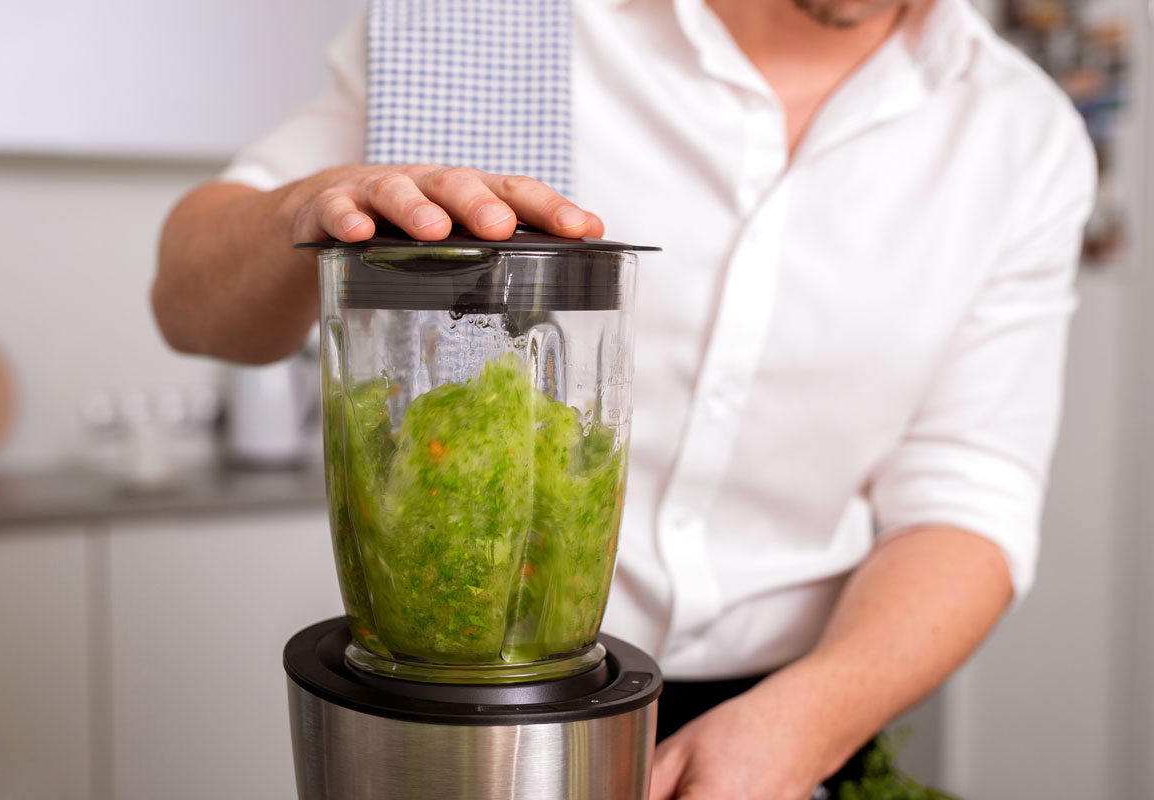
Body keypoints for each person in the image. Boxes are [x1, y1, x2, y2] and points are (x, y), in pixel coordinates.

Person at [153, 0, 1096, 797]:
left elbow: (968, 498)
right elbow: (188, 302)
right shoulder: (488, 26)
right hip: (459, 706)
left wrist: (804, 727)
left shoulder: (1019, 133)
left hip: (792, 716)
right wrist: (307, 211)